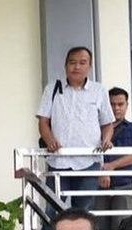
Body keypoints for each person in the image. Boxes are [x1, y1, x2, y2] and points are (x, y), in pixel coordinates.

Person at [36, 46, 115, 211]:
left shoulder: (98, 90)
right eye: (72, 62)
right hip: (59, 160)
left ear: (89, 67)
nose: (77, 67)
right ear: (65, 66)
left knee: (83, 211)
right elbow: (43, 121)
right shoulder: (52, 88)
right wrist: (49, 141)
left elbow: (107, 123)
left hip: (89, 161)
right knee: (52, 210)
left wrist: (107, 139)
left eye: (82, 63)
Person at [97, 87, 132, 230]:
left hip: (124, 186)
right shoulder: (96, 129)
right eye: (112, 104)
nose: (116, 108)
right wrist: (103, 170)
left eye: (120, 104)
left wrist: (111, 166)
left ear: (127, 105)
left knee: (121, 228)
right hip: (98, 186)